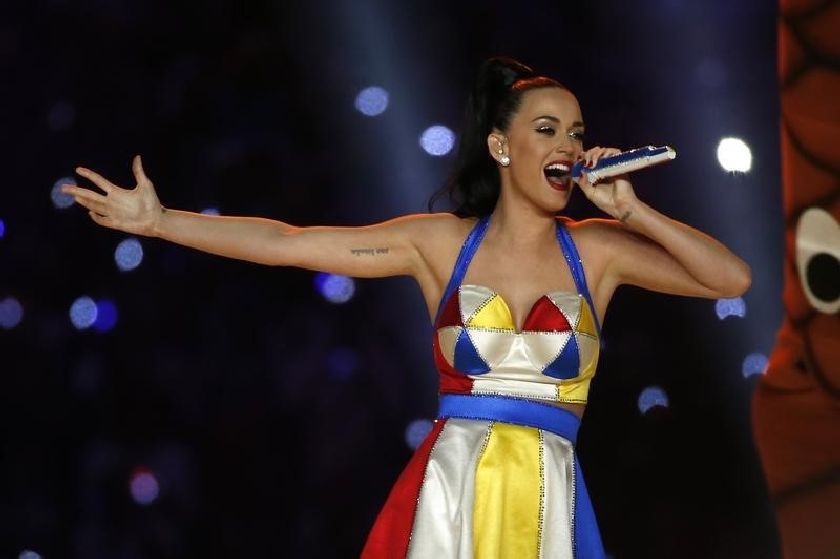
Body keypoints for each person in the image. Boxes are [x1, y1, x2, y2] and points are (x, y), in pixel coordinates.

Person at [61, 57, 751, 558]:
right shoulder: (440, 244)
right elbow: (288, 244)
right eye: (548, 129)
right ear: (503, 147)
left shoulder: (598, 250)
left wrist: (635, 211)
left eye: (576, 132)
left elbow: (731, 279)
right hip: (446, 498)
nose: (569, 146)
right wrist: (161, 223)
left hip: (548, 498)